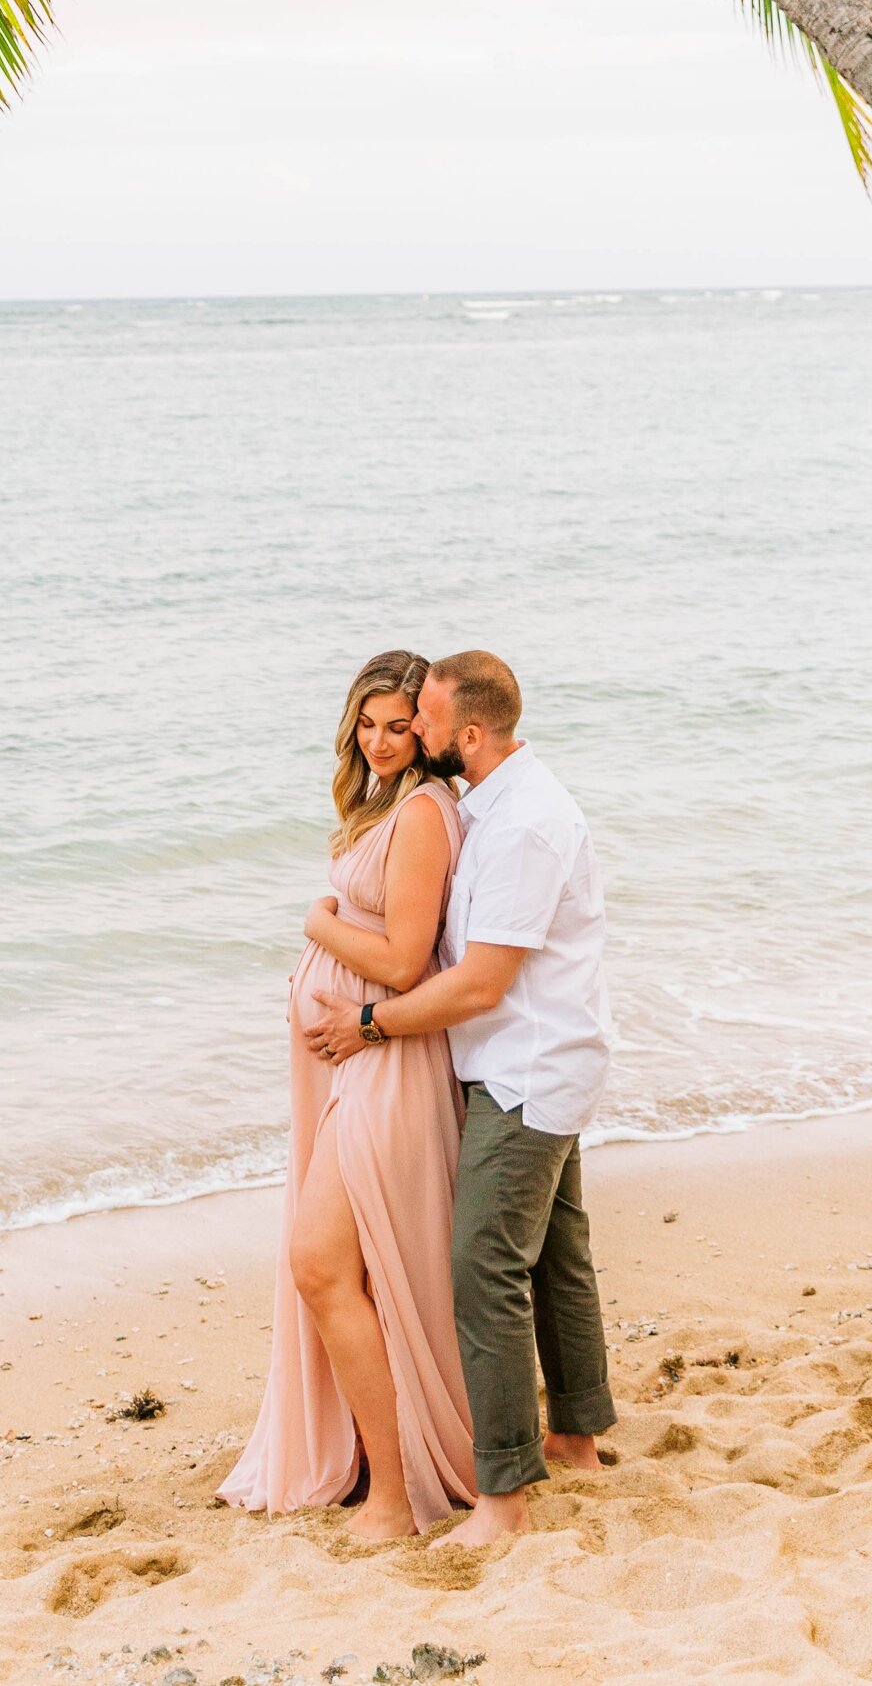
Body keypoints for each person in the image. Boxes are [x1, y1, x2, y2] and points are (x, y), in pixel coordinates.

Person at [308, 648, 616, 1546]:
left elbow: (478, 984)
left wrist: (371, 1022)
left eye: (426, 721)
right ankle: (577, 1437)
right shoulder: (499, 804)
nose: (415, 736)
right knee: (557, 1251)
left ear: (466, 732)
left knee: (484, 1265)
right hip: (538, 1056)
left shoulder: (518, 827)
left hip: (527, 1068)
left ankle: (504, 1497)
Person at [218, 653, 475, 1538]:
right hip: (357, 1057)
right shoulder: (384, 805)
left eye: (398, 726)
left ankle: (401, 1498)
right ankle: (377, 1464)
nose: (379, 739)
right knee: (353, 1268)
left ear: (428, 731)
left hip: (391, 1063)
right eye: (366, 723)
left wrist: (319, 923)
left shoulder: (422, 814)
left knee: (322, 1262)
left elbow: (407, 960)